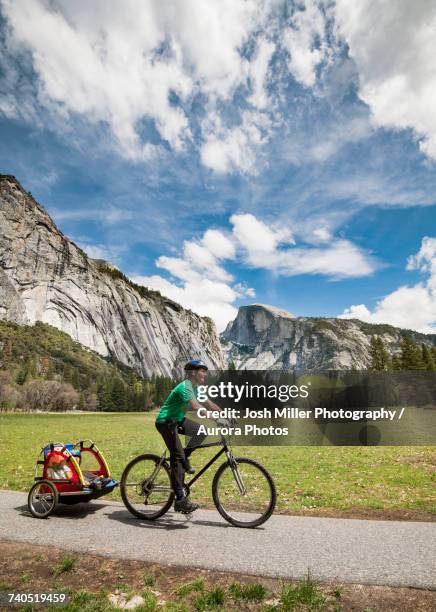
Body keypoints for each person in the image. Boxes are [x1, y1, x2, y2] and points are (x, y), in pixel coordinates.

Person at [155, 359, 220, 514]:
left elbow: (209, 403)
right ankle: (180, 500)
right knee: (177, 456)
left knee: (201, 431)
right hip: (166, 422)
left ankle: (184, 457)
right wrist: (217, 419)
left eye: (205, 370)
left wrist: (226, 415)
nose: (205, 373)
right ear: (193, 372)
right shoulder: (185, 386)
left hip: (177, 420)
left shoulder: (196, 388)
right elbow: (196, 406)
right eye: (202, 370)